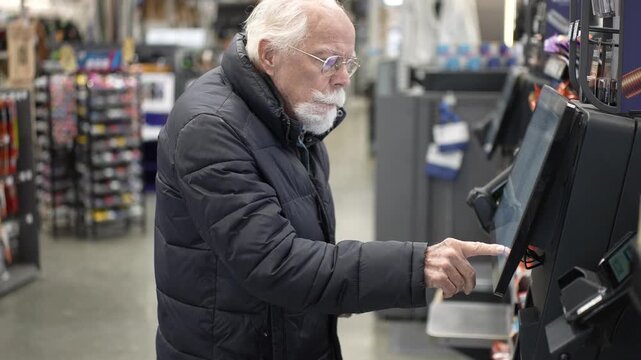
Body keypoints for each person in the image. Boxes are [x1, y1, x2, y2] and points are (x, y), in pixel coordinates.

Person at [154, 0, 507, 359]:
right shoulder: (210, 128)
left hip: (285, 333)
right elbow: (276, 263)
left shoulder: (292, 117)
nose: (342, 78)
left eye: (348, 63)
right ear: (270, 54)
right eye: (328, 61)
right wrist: (416, 266)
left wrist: (337, 289)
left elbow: (308, 241)